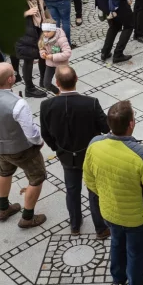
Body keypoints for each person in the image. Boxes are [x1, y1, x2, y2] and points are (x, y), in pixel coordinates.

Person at [83, 100, 143, 285]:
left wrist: (107, 193)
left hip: (109, 211)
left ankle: (119, 280)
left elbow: (89, 180)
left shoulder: (95, 144)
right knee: (135, 253)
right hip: (137, 217)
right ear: (131, 124)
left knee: (116, 243)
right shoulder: (142, 154)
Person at [40, 66, 111, 239]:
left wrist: (58, 149)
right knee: (94, 191)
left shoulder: (46, 105)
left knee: (72, 191)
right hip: (90, 155)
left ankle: (75, 225)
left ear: (56, 83)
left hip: (66, 156)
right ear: (77, 79)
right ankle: (100, 228)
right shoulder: (91, 102)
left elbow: (45, 133)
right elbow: (106, 127)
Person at [0, 63, 48, 229]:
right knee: (37, 177)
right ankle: (28, 217)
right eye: (13, 73)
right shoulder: (18, 104)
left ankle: (3, 208)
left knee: (4, 171)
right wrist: (39, 142)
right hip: (21, 149)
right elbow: (31, 133)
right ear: (10, 79)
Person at [14, 0, 48, 99]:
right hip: (25, 31)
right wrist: (25, 13)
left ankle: (44, 80)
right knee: (28, 60)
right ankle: (29, 88)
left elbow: (42, 6)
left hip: (38, 27)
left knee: (42, 55)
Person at [38, 22, 71, 93]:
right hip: (50, 64)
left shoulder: (61, 39)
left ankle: (66, 94)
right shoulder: (44, 38)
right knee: (46, 83)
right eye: (44, 31)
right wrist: (43, 53)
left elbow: (67, 53)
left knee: (64, 83)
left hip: (61, 65)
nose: (46, 33)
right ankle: (58, 93)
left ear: (54, 30)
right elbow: (42, 48)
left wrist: (52, 56)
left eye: (48, 31)